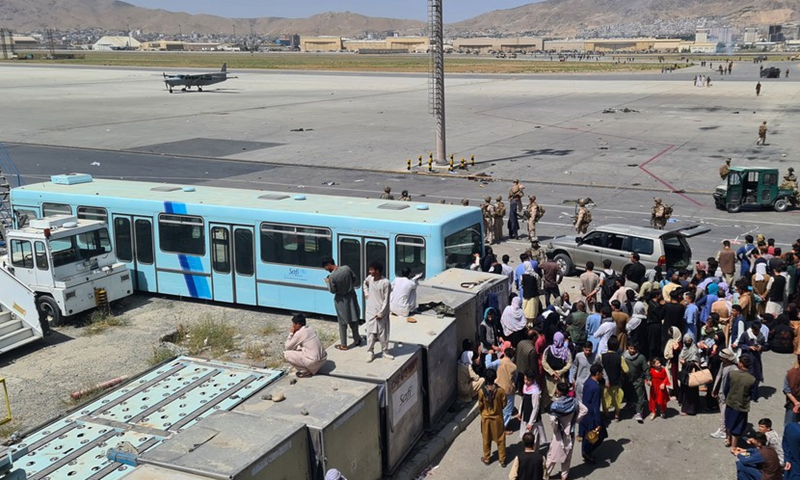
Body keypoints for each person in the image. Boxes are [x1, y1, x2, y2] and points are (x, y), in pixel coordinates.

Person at [545, 382, 583, 480]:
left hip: (559, 433)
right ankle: (564, 476)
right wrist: (575, 420)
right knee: (567, 455)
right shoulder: (574, 401)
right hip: (570, 431)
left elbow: (553, 420)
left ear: (558, 391)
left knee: (552, 456)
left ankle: (546, 475)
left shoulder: (555, 405)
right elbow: (585, 410)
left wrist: (555, 429)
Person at [322, 257, 361, 351]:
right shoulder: (346, 268)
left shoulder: (332, 277)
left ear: (329, 264)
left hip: (341, 300)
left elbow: (332, 290)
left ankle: (344, 344)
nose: (326, 269)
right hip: (352, 297)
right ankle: (357, 340)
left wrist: (327, 283)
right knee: (354, 319)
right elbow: (355, 279)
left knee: (342, 322)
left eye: (325, 267)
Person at [725, 355, 757, 451]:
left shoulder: (732, 374)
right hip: (742, 405)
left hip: (730, 402)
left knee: (728, 422)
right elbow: (754, 394)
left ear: (741, 364)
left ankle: (728, 439)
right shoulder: (752, 379)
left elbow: (726, 388)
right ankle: (734, 446)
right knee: (738, 426)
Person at [363, 261, 392, 363]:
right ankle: (370, 352)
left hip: (381, 312)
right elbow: (364, 284)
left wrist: (381, 313)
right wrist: (366, 293)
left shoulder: (385, 283)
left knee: (382, 333)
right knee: (370, 333)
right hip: (370, 310)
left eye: (371, 269)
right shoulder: (369, 279)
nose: (370, 271)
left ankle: (385, 351)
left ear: (378, 271)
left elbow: (386, 300)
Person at [479, 369, 507, 467]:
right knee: (500, 439)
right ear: (495, 377)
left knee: (486, 439)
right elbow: (504, 404)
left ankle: (487, 458)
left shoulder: (481, 391)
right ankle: (502, 459)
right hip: (497, 418)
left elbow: (480, 405)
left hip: (486, 418)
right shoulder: (500, 391)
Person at [579, 363, 607, 464]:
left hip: (585, 414)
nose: (602, 375)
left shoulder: (588, 381)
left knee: (587, 435)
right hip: (592, 416)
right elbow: (595, 407)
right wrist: (598, 422)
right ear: (597, 373)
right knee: (599, 436)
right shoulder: (596, 388)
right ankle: (587, 452)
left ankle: (585, 452)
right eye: (601, 373)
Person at [711, 348, 738, 438]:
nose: (721, 359)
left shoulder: (734, 369)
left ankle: (723, 430)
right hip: (720, 392)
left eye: (722, 357)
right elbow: (719, 376)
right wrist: (715, 389)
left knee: (723, 413)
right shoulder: (723, 364)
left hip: (727, 395)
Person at [737, 321, 766, 401]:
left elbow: (765, 345)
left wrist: (761, 347)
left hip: (756, 358)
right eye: (755, 331)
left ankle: (754, 395)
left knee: (756, 376)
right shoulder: (746, 334)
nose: (756, 332)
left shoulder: (761, 335)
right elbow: (740, 344)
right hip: (747, 358)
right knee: (747, 376)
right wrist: (749, 347)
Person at [600, 336, 626, 422]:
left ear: (607, 346)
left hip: (604, 383)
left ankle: (606, 415)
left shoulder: (601, 356)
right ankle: (616, 416)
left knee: (605, 399)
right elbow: (626, 370)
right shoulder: (620, 358)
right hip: (616, 382)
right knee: (617, 400)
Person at [518, 370, 545, 448]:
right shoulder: (525, 387)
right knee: (526, 436)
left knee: (533, 437)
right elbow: (523, 399)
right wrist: (520, 411)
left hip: (532, 418)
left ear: (533, 380)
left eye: (528, 380)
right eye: (525, 379)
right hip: (525, 414)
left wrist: (531, 423)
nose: (526, 382)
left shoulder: (535, 392)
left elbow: (535, 408)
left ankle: (534, 452)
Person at [623, 342, 649, 423]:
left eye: (634, 349)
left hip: (638, 380)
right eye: (631, 348)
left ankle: (639, 412)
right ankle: (629, 403)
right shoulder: (624, 357)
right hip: (627, 380)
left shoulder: (641, 358)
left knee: (639, 397)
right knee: (628, 394)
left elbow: (646, 369)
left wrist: (648, 378)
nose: (632, 351)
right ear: (628, 348)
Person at [543, 332, 572, 401]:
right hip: (555, 377)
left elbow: (544, 362)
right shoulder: (566, 351)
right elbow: (544, 362)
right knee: (548, 394)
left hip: (555, 377)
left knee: (555, 394)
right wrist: (554, 372)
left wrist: (557, 373)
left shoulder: (549, 349)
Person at [678, 333, 701, 416]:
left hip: (691, 372)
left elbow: (695, 363)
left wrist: (685, 363)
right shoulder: (684, 349)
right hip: (685, 372)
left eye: (689, 341)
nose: (688, 342)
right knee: (685, 391)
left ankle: (690, 410)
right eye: (686, 341)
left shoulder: (694, 349)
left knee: (690, 392)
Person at [783, 354, 800, 425]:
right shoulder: (791, 373)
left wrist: (796, 403)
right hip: (794, 405)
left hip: (792, 404)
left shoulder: (790, 373)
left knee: (789, 427)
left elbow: (786, 390)